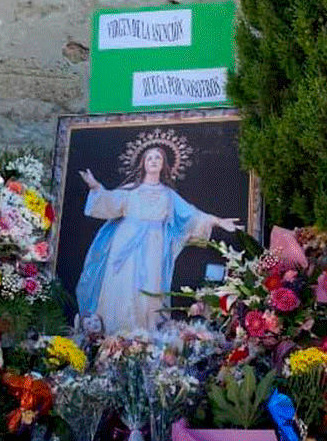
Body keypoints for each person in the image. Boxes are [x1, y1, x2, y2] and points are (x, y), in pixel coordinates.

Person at [74, 142, 239, 333]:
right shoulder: (130, 190)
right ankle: (114, 333)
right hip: (125, 242)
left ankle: (143, 335)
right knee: (121, 283)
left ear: (164, 165)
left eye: (157, 158)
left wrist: (218, 221)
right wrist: (95, 187)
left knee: (149, 287)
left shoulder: (168, 196)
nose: (153, 161)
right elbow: (109, 201)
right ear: (143, 163)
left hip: (153, 244)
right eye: (149, 158)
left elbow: (191, 215)